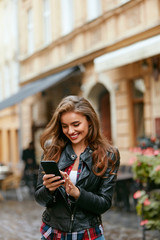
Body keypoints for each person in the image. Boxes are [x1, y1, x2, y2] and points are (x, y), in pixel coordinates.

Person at [35, 95, 120, 240]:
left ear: (89, 121)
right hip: (53, 233)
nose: (70, 131)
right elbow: (39, 198)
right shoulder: (52, 149)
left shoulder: (108, 154)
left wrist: (78, 193)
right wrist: (48, 189)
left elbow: (104, 203)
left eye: (76, 124)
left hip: (88, 233)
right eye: (65, 126)